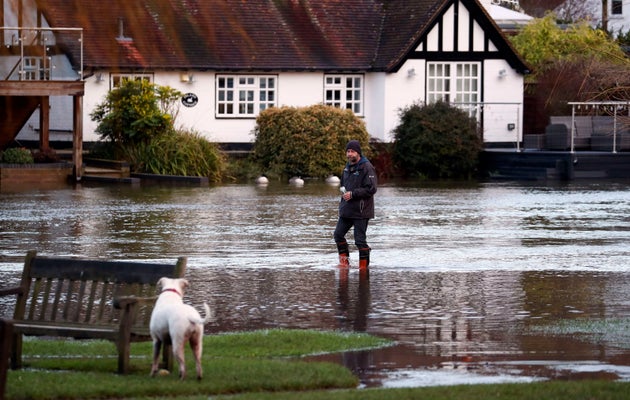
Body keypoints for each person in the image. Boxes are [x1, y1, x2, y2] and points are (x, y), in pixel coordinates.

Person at [334, 140, 377, 270]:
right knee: (338, 235)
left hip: (361, 211)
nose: (350, 154)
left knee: (359, 241)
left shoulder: (367, 167)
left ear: (358, 153)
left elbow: (372, 188)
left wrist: (353, 194)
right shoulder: (346, 168)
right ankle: (344, 265)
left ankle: (363, 269)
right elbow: (343, 185)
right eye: (348, 151)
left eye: (352, 151)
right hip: (347, 210)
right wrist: (344, 194)